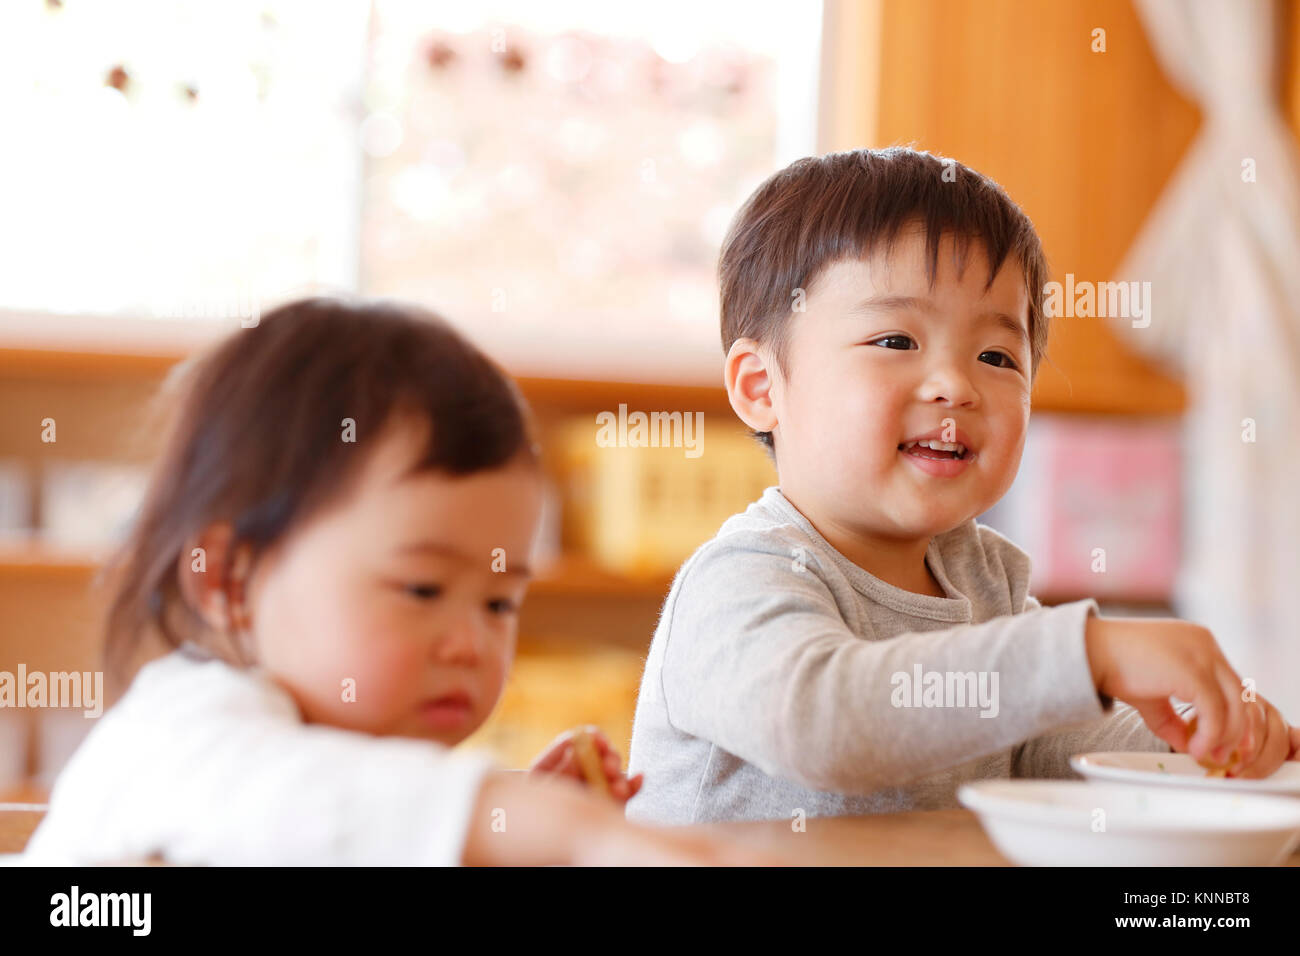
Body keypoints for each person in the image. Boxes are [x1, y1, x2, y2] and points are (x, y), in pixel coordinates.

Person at [626, 147, 1300, 824]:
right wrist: (1087, 654)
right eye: (895, 341)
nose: (957, 385)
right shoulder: (741, 578)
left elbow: (1063, 744)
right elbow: (815, 723)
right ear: (761, 386)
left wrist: (1200, 741)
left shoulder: (985, 584)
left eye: (997, 356)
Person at [23, 297, 770, 865]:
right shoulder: (187, 730)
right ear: (226, 580)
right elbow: (303, 801)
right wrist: (541, 824)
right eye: (421, 589)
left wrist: (501, 833)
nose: (472, 643)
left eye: (501, 600)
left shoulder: (344, 746)